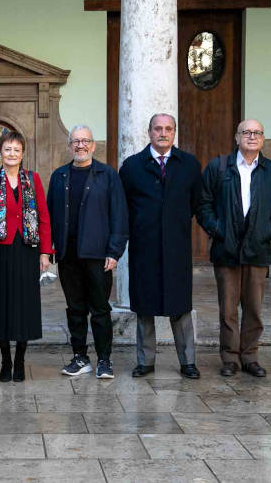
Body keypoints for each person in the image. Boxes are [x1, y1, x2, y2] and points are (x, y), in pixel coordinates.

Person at [197, 119, 271, 377]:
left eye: (257, 132)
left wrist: (268, 233)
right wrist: (218, 229)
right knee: (228, 309)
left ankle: (250, 356)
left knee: (253, 308)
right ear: (237, 138)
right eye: (246, 132)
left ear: (263, 138)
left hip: (257, 249)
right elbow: (203, 204)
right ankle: (229, 358)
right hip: (226, 249)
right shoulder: (219, 167)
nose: (252, 136)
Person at [119, 113, 203, 379]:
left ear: (174, 132)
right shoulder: (132, 166)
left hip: (177, 247)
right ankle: (145, 362)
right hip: (144, 246)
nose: (163, 133)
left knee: (180, 305)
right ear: (149, 132)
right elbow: (125, 207)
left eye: (168, 129)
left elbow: (195, 204)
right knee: (145, 307)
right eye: (158, 128)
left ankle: (187, 361)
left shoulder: (189, 164)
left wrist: (172, 223)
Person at [47, 125, 128, 379]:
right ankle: (80, 357)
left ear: (93, 146)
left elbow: (119, 216)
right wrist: (49, 251)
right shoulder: (59, 176)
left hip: (97, 255)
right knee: (75, 308)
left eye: (85, 141)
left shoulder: (107, 175)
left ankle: (104, 360)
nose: (80, 145)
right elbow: (48, 216)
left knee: (100, 309)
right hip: (68, 255)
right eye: (75, 141)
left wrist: (114, 252)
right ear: (69, 146)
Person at [0, 131, 53, 382]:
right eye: (7, 149)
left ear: (22, 153)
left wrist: (45, 251)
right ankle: (5, 361)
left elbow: (43, 216)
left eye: (16, 150)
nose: (12, 154)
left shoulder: (33, 179)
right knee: (1, 305)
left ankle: (20, 360)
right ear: (1, 152)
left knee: (24, 305)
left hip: (27, 249)